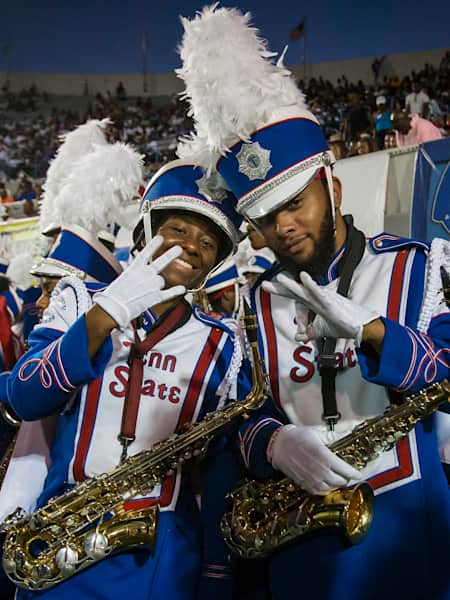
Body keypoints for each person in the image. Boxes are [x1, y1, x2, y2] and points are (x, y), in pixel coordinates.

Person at [177, 6, 450, 599]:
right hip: (299, 543)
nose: (285, 227)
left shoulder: (416, 266)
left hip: (410, 539)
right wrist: (272, 442)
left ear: (332, 184)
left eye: (295, 202)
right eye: (267, 217)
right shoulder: (253, 300)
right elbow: (242, 416)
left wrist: (376, 333)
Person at [6, 157, 249, 600]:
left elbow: (221, 470)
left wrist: (216, 570)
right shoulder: (78, 301)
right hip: (64, 540)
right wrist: (107, 314)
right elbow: (26, 396)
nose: (192, 246)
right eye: (178, 229)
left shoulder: (224, 346)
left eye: (209, 242)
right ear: (145, 234)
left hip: (163, 556)